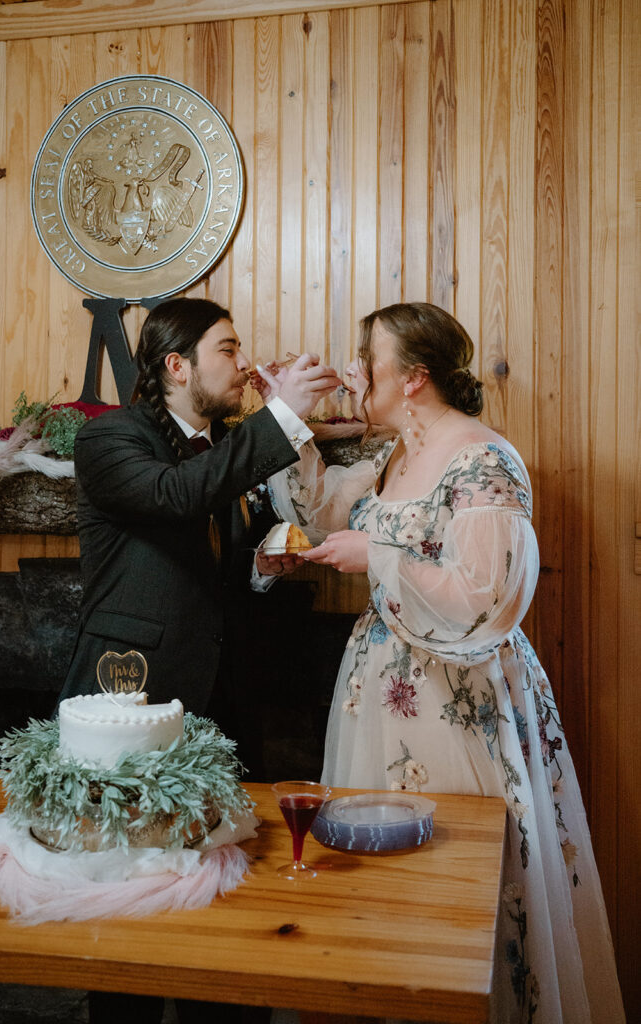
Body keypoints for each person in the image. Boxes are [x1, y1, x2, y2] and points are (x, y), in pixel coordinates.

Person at [263, 302, 624, 1024]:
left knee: (455, 878)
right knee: (378, 884)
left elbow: (489, 597)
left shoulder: (483, 459)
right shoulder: (393, 453)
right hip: (380, 688)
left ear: (413, 377)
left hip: (455, 695)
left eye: (369, 358)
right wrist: (288, 419)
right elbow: (327, 512)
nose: (357, 369)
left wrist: (379, 558)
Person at [59, 296, 339, 1024]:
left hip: (218, 698)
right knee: (127, 893)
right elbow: (172, 496)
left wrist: (260, 569)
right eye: (228, 348)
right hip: (130, 693)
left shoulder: (218, 447)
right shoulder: (112, 438)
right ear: (176, 365)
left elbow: (219, 556)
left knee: (219, 890)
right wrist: (282, 420)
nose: (244, 364)